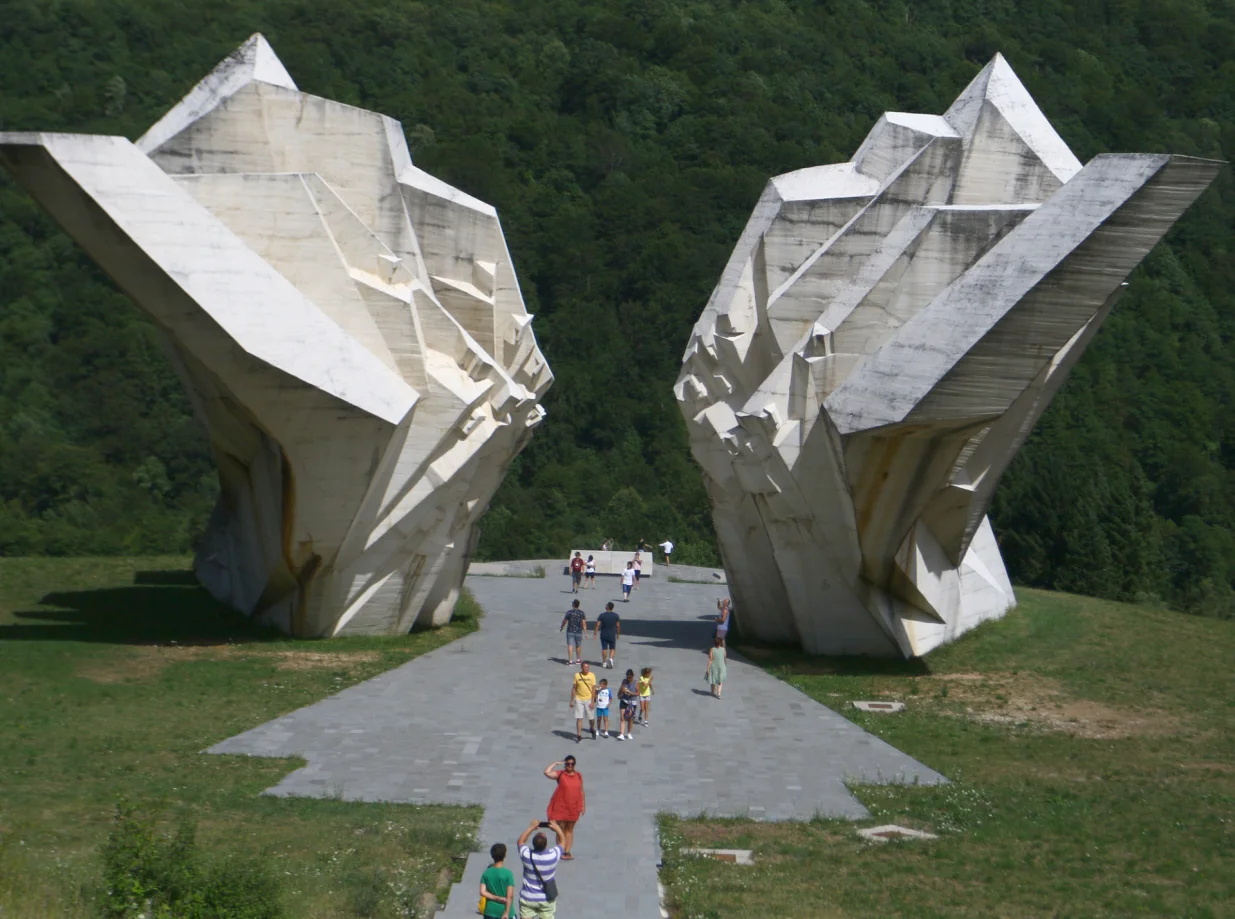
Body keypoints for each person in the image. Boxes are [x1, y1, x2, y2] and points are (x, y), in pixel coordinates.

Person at [517, 819, 564, 918]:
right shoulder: (552, 856)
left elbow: (520, 841)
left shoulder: (527, 855)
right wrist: (557, 828)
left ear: (533, 844)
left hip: (528, 897)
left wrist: (531, 827)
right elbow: (563, 843)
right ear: (546, 844)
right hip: (546, 899)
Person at [543, 756, 585, 859]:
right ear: (565, 764)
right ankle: (560, 850)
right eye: (568, 764)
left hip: (573, 807)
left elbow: (581, 791)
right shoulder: (561, 774)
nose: (570, 766)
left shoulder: (578, 775)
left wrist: (583, 805)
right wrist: (555, 763)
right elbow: (547, 772)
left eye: (572, 764)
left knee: (570, 830)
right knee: (560, 829)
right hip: (562, 807)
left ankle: (567, 852)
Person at [480, 842, 517, 918]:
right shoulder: (508, 874)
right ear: (505, 855)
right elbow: (510, 896)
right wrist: (506, 912)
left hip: (490, 911)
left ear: (492, 855)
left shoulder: (486, 873)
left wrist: (497, 898)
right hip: (504, 911)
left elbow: (482, 892)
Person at [570, 661, 597, 742]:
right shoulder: (577, 675)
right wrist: (572, 700)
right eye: (585, 667)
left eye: (587, 667)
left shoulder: (592, 675)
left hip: (588, 699)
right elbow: (574, 688)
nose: (586, 669)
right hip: (579, 699)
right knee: (579, 718)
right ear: (581, 667)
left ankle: (592, 728)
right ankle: (579, 735)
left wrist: (592, 701)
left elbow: (593, 689)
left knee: (591, 718)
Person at [592, 601, 621, 669]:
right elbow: (618, 626)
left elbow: (597, 625)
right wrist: (618, 634)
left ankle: (604, 662)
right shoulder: (616, 615)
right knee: (612, 648)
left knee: (604, 648)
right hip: (612, 634)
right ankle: (610, 658)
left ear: (607, 607)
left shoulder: (602, 615)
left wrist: (595, 633)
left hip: (604, 634)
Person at [559, 600, 587, 665]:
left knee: (570, 645)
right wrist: (585, 632)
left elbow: (565, 621)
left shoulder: (569, 612)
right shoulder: (581, 613)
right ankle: (578, 659)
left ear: (573, 604)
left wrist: (561, 627)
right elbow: (583, 623)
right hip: (579, 631)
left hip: (570, 631)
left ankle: (570, 661)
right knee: (578, 645)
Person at [616, 669, 638, 741]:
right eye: (628, 677)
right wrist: (621, 691)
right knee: (622, 718)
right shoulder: (624, 681)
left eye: (630, 678)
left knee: (630, 718)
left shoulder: (636, 683)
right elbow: (620, 689)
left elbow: (638, 693)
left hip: (632, 702)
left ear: (632, 676)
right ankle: (622, 734)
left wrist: (632, 693)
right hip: (624, 700)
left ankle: (629, 733)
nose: (629, 679)